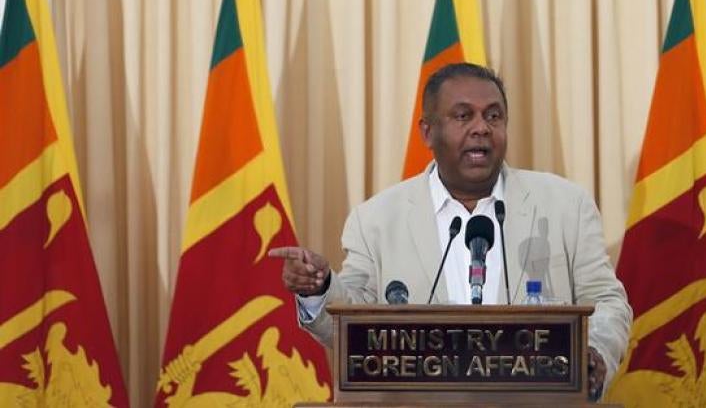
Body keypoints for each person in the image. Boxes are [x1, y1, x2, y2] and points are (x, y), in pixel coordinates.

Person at [269, 63, 632, 399]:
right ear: (428, 132)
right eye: (463, 116)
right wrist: (320, 287)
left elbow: (608, 301)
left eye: (494, 116)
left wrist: (595, 352)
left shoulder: (565, 206)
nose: (482, 128)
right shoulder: (377, 220)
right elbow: (351, 328)